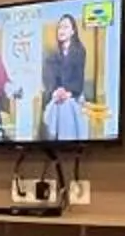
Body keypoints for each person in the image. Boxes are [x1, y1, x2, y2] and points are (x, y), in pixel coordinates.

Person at [36, 11, 91, 142]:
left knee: (66, 105)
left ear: (73, 31)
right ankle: (61, 142)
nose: (61, 30)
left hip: (74, 95)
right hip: (56, 96)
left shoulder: (79, 51)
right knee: (58, 104)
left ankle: (63, 141)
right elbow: (49, 79)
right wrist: (56, 91)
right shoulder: (53, 55)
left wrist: (68, 93)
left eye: (66, 27)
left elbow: (78, 79)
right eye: (60, 27)